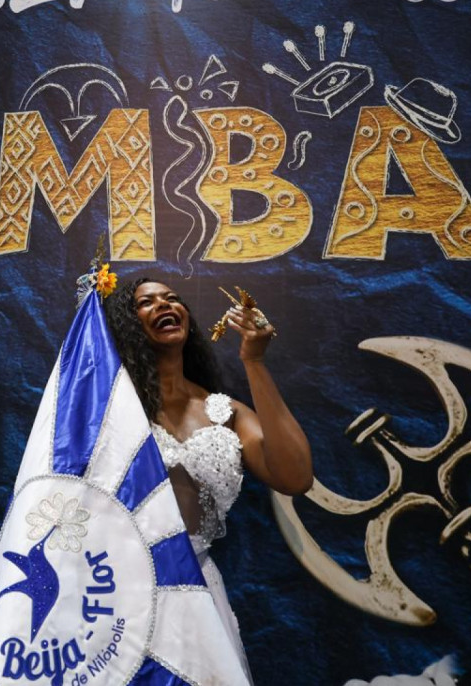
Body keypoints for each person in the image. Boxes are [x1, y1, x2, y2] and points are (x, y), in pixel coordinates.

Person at [103, 276, 314, 676]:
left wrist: (254, 362)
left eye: (172, 298)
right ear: (124, 325)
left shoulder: (223, 412)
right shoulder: (110, 407)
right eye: (146, 302)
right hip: (119, 590)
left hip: (197, 588)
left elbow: (295, 476)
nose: (164, 305)